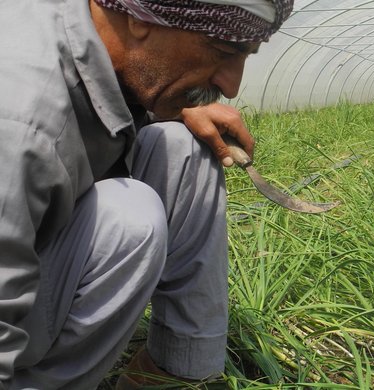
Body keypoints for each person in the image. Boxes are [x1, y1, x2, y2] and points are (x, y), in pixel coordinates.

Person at [0, 0, 293, 388]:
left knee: (184, 148)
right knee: (129, 220)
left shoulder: (92, 30)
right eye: (223, 51)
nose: (232, 86)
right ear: (140, 20)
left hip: (31, 251)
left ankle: (174, 373)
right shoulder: (19, 119)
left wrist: (175, 107)